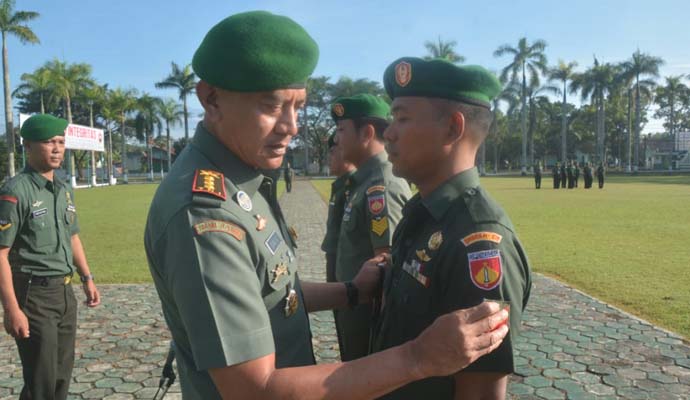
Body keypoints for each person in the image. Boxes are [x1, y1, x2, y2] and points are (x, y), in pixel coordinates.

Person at [143, 11, 509, 400]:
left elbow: (273, 294)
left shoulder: (242, 179)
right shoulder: (206, 213)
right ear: (212, 99)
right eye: (271, 106)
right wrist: (418, 357)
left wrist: (350, 292)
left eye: (298, 106)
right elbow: (254, 391)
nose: (291, 126)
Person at [373, 57, 532, 399]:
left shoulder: (479, 241)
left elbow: (481, 391)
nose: (388, 132)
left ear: (452, 127)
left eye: (402, 118)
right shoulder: (421, 213)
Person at [0, 114, 101, 400]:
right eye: (48, 142)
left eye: (60, 142)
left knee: (60, 375)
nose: (57, 149)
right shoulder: (15, 191)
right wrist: (12, 309)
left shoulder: (63, 189)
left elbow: (73, 236)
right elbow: (0, 254)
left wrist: (87, 278)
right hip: (34, 295)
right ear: (28, 146)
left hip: (64, 293)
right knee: (41, 380)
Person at [333, 93, 412, 361]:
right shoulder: (363, 182)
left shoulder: (381, 186)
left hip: (368, 320)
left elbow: (386, 263)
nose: (336, 139)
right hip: (353, 307)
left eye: (341, 130)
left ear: (366, 133)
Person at [322, 134, 356, 283]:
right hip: (335, 259)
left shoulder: (354, 186)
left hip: (345, 265)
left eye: (332, 152)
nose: (328, 158)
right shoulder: (340, 185)